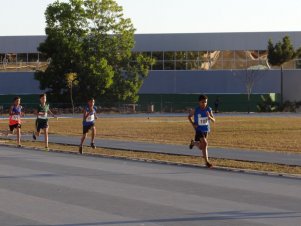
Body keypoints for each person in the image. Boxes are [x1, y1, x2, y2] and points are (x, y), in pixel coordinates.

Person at [188, 94, 215, 168]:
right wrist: (193, 124)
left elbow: (214, 120)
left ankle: (193, 143)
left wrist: (209, 117)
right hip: (199, 130)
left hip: (206, 130)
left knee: (201, 147)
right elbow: (189, 116)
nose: (204, 104)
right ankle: (207, 162)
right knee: (205, 144)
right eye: (202, 102)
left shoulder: (209, 109)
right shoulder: (196, 110)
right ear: (199, 102)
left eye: (205, 102)